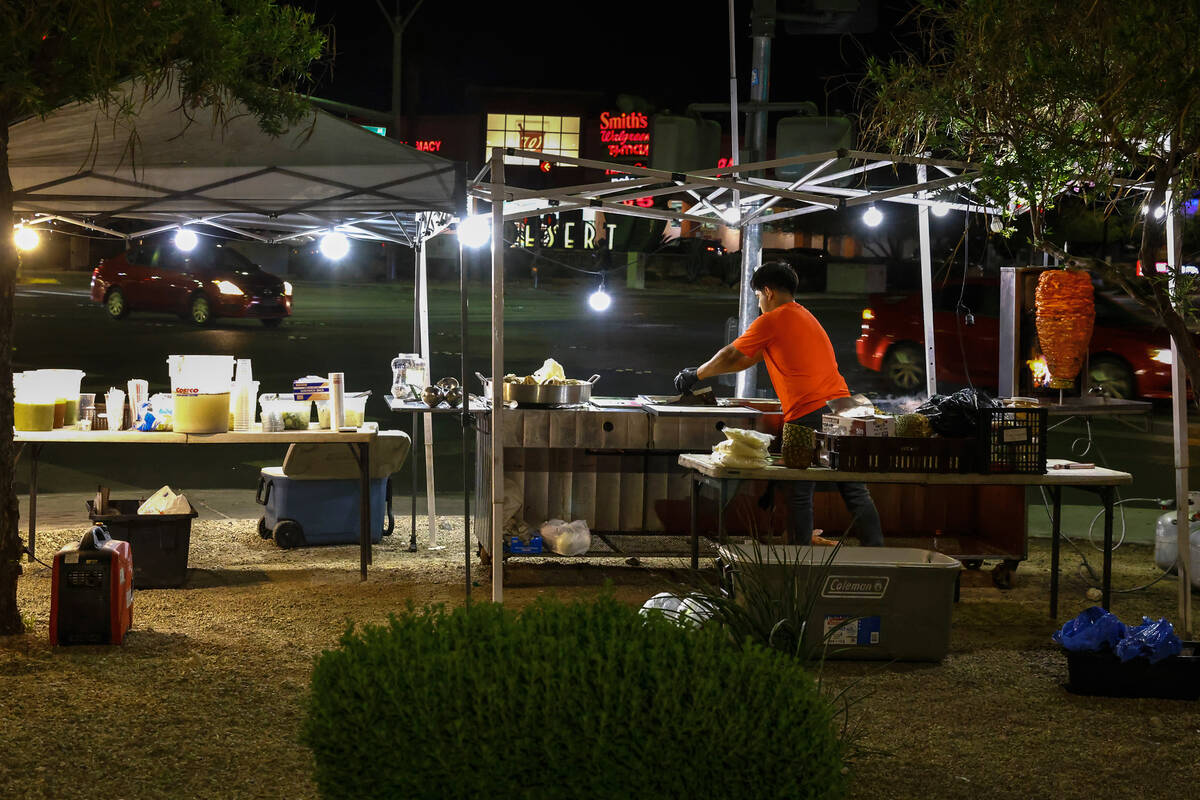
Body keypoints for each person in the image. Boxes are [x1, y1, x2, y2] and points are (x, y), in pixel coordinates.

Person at [674, 261, 883, 547]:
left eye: (758, 296)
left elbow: (731, 354)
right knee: (855, 489)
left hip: (808, 413)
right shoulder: (804, 316)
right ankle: (876, 551)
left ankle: (800, 559)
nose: (759, 302)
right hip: (844, 410)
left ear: (768, 292)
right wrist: (703, 372)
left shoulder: (773, 319)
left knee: (799, 490)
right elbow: (747, 359)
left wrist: (694, 374)